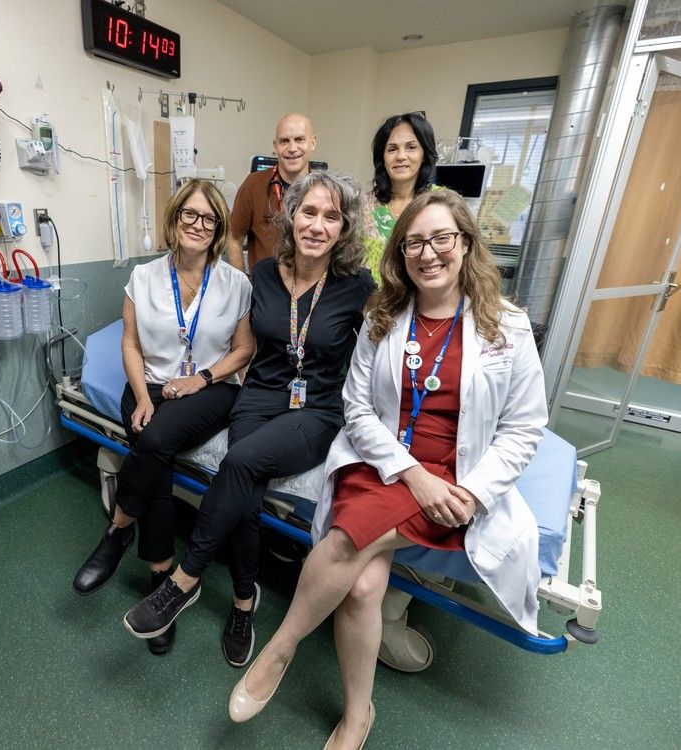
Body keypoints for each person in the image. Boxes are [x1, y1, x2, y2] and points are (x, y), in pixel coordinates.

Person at [228, 189, 547, 749]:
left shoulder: (509, 327)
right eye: (414, 243)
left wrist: (471, 491)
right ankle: (356, 715)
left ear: (465, 244)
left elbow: (523, 429)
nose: (428, 253)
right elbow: (356, 407)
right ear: (400, 255)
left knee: (351, 558)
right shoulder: (384, 317)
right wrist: (411, 474)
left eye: (441, 238)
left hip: (457, 477)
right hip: (382, 463)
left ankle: (282, 650)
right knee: (362, 587)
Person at [123, 171, 376, 668]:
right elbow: (240, 343)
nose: (317, 225)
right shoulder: (261, 275)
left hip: (316, 410)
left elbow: (386, 347)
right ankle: (244, 603)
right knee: (245, 497)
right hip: (258, 397)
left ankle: (183, 581)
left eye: (331, 217)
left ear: (343, 228)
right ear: (291, 216)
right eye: (308, 212)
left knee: (237, 461)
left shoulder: (357, 286)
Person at [71, 179, 253, 656]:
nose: (197, 225)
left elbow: (245, 350)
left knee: (152, 443)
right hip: (147, 385)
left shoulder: (236, 283)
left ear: (217, 230)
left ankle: (117, 530)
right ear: (174, 220)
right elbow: (129, 343)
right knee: (155, 451)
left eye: (208, 219)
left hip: (210, 389)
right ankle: (162, 585)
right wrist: (141, 394)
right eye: (189, 215)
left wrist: (203, 379)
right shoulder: (144, 277)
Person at [228, 113, 318, 273]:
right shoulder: (253, 184)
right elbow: (234, 238)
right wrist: (243, 286)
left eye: (299, 139)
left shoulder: (325, 190)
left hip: (310, 291)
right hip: (264, 292)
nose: (292, 148)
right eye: (284, 141)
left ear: (312, 143)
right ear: (275, 146)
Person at [363, 112, 438, 285]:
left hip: (423, 306)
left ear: (424, 153)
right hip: (372, 306)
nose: (401, 156)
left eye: (411, 147)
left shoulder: (442, 204)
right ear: (382, 156)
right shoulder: (363, 206)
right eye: (392, 149)